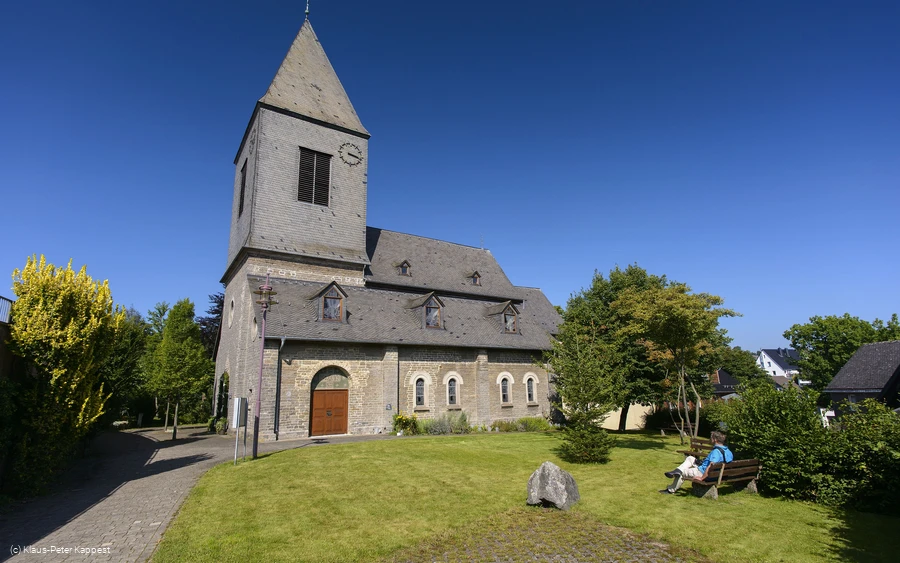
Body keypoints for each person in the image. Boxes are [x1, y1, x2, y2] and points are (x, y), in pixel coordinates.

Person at [660, 430, 733, 494]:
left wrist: (702, 478)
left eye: (711, 438)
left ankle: (671, 490)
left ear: (715, 440)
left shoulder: (716, 452)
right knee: (690, 458)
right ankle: (677, 470)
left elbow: (711, 466)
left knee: (683, 472)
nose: (709, 439)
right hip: (717, 474)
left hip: (705, 474)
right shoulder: (728, 451)